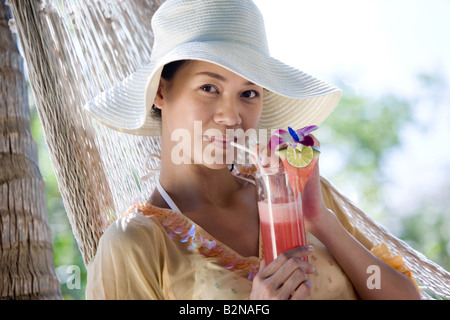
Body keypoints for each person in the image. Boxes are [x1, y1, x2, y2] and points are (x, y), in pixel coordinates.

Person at [84, 0, 420, 300]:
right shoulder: (133, 245)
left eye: (249, 93)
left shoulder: (296, 192)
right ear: (160, 92)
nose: (231, 116)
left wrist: (321, 221)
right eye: (208, 87)